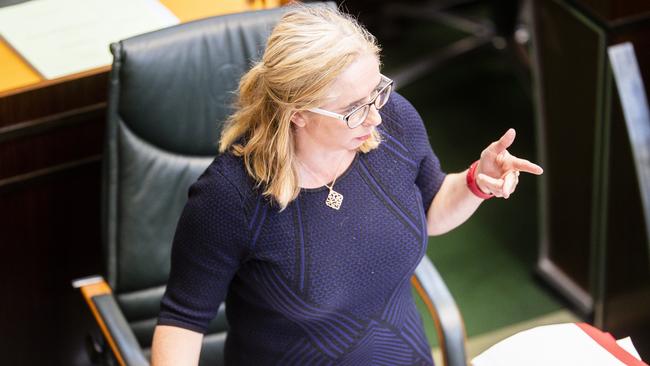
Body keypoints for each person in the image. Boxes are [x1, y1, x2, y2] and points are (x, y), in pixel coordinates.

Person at [151, 4, 543, 366]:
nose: (375, 117)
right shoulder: (229, 197)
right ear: (298, 114)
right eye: (353, 110)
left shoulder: (395, 122)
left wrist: (477, 181)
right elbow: (182, 323)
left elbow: (430, 211)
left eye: (377, 92)